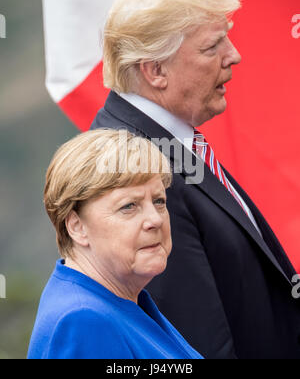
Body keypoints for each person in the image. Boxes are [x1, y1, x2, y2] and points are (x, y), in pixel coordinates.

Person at [91, 0, 300, 359]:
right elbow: (195, 342)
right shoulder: (133, 170)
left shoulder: (161, 142)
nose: (233, 55)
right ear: (155, 70)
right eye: (212, 46)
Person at [27, 128, 203, 359]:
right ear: (77, 227)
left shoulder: (122, 299)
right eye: (129, 206)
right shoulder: (83, 322)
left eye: (159, 201)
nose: (155, 219)